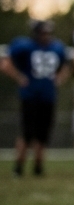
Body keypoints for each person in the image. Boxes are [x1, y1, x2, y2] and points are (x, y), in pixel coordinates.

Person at [3, 20, 69, 177]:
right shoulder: (24, 46)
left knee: (42, 134)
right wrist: (20, 78)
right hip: (30, 95)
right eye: (43, 33)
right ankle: (19, 167)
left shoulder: (57, 47)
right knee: (27, 133)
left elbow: (66, 67)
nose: (46, 36)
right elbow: (5, 64)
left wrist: (59, 79)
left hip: (47, 96)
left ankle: (38, 167)